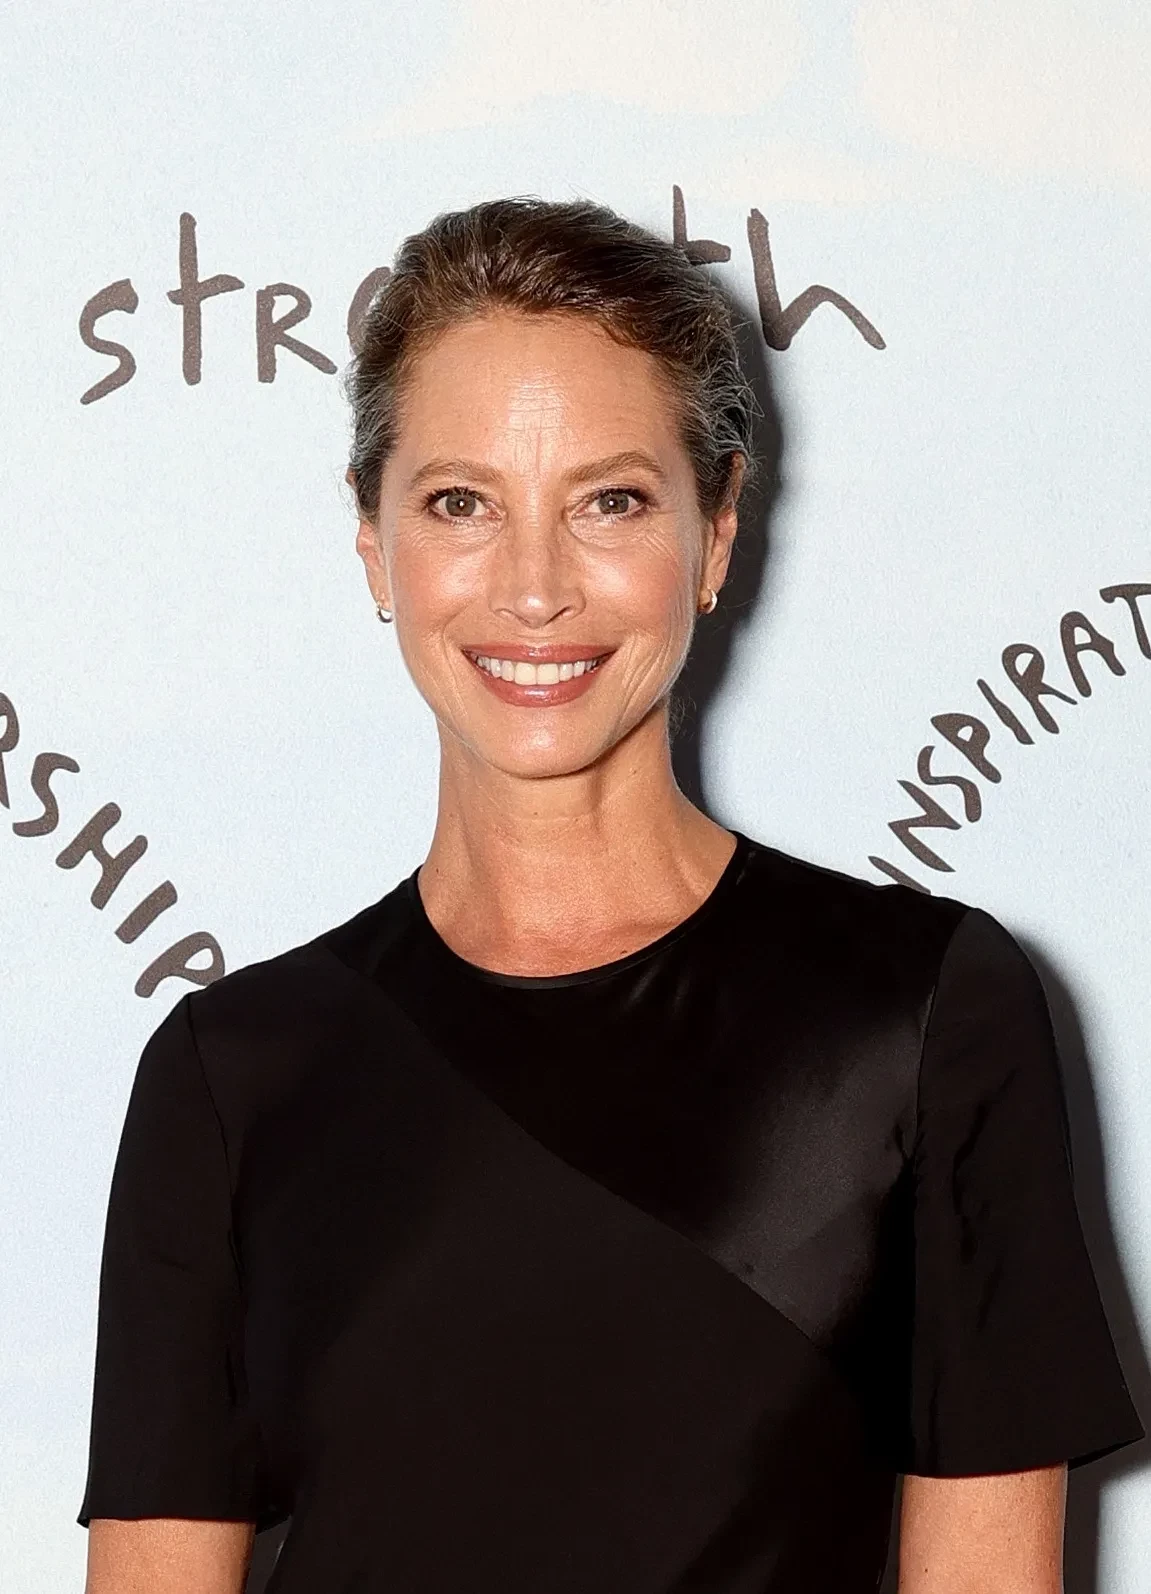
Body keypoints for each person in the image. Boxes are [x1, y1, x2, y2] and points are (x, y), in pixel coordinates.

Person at [78, 197, 1142, 1594]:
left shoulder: (926, 1013)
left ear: (716, 534)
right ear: (373, 545)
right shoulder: (232, 1076)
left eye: (611, 501)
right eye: (460, 503)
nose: (534, 590)